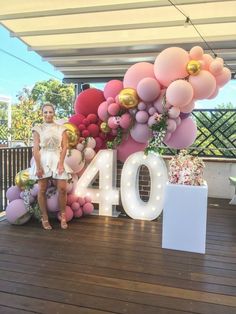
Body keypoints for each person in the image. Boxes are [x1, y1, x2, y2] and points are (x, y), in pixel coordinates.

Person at [30, 103, 72, 230]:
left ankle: (63, 215)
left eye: (50, 112)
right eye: (45, 112)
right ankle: (45, 217)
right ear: (42, 114)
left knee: (63, 189)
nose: (48, 114)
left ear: (54, 112)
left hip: (57, 157)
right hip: (43, 159)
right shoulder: (38, 128)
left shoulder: (61, 128)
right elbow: (35, 149)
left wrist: (60, 163)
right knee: (42, 189)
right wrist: (38, 167)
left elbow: (65, 146)